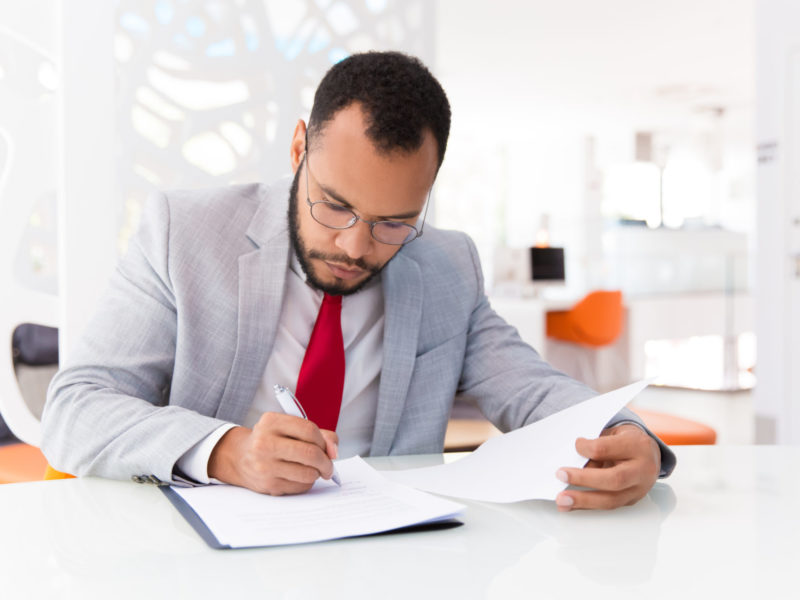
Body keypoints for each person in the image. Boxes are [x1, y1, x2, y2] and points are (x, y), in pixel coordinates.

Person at [42, 51, 674, 511]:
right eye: (334, 205)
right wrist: (225, 451)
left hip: (384, 559)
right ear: (298, 150)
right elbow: (75, 411)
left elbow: (530, 388)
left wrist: (626, 435)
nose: (354, 245)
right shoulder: (186, 232)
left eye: (393, 222)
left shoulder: (447, 265)